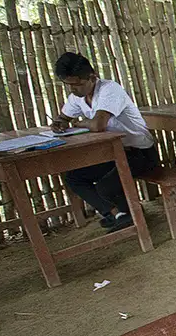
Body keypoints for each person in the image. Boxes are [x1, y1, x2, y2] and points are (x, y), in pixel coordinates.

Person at [50, 52, 158, 233]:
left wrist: (80, 122)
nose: (72, 89)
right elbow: (63, 116)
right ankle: (116, 214)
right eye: (68, 85)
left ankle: (131, 215)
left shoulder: (110, 90)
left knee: (106, 186)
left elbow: (98, 125)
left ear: (92, 77)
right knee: (75, 178)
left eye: (76, 84)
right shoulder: (78, 96)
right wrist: (59, 123)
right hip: (113, 155)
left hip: (140, 153)